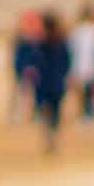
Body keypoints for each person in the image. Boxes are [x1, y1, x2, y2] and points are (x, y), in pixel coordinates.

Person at [28, 11, 72, 157]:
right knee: (56, 113)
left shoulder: (40, 43)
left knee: (46, 112)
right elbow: (67, 63)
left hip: (45, 84)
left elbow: (34, 64)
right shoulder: (60, 43)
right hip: (56, 83)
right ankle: (53, 138)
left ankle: (49, 138)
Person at [68, 8, 94, 121]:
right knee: (87, 90)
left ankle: (88, 112)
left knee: (87, 90)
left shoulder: (93, 30)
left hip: (86, 64)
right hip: (87, 64)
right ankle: (88, 112)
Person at [8, 11, 40, 125]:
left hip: (31, 70)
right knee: (19, 93)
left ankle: (33, 115)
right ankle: (15, 116)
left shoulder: (35, 39)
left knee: (32, 94)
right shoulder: (21, 39)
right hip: (22, 70)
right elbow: (17, 56)